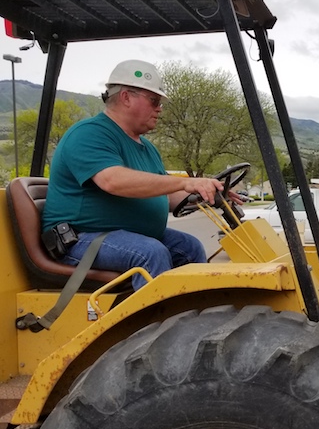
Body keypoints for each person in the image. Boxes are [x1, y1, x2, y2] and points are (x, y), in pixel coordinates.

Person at [41, 59, 232, 290]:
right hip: (82, 239)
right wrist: (187, 182)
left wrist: (210, 193)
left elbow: (166, 195)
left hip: (130, 236)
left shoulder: (147, 147)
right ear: (126, 97)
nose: (159, 108)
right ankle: (158, 325)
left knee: (189, 247)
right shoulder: (89, 134)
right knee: (149, 253)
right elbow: (112, 181)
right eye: (154, 100)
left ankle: (195, 318)